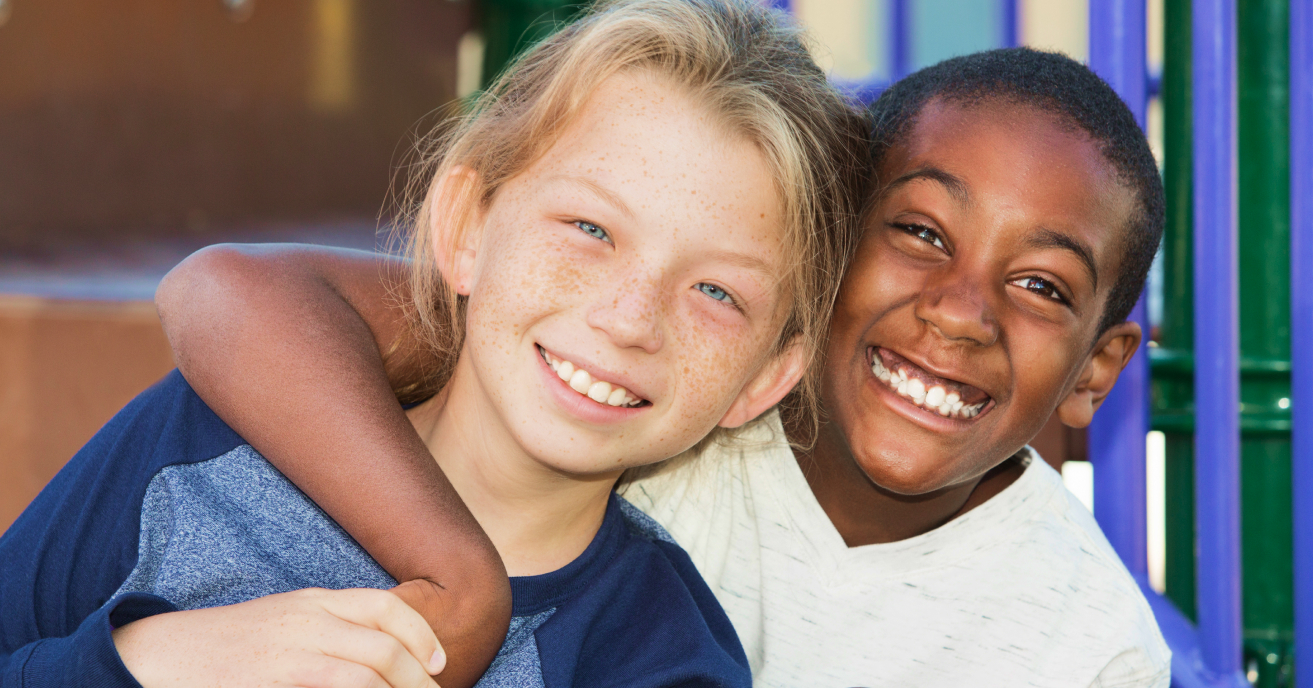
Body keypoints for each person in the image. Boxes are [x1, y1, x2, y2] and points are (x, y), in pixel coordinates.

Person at [0, 2, 871, 687]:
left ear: (766, 378)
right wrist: (152, 660)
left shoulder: (659, 654)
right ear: (465, 226)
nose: (629, 315)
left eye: (715, 292)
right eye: (590, 230)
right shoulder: (204, 450)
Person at [151, 47, 1174, 687]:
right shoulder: (661, 379)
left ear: (1099, 368)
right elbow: (231, 295)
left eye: (1041, 286)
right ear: (819, 260)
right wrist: (462, 580)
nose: (960, 312)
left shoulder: (1088, 651)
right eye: (917, 230)